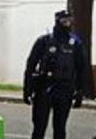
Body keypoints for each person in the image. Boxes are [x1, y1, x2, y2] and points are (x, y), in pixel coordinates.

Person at [25, 9, 88, 139]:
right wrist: (27, 89)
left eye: (69, 21)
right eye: (63, 21)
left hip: (65, 89)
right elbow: (30, 65)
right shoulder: (44, 41)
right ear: (57, 21)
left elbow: (81, 68)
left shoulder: (75, 43)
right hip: (44, 88)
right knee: (39, 127)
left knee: (60, 129)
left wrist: (80, 91)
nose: (67, 24)